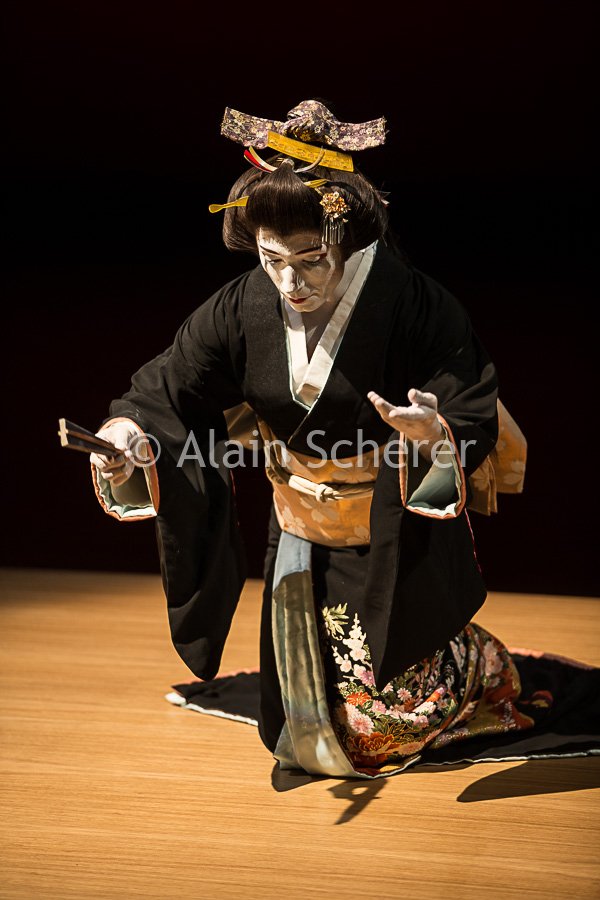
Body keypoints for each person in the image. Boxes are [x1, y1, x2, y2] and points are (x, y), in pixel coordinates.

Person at [89, 100, 543, 779]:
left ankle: (476, 662)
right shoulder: (242, 305)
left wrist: (435, 432)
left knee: (381, 730)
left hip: (391, 530)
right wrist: (127, 431)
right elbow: (169, 384)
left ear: (346, 239)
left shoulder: (414, 303)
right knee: (299, 725)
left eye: (310, 259)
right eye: (271, 258)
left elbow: (466, 394)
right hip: (299, 533)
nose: (289, 282)